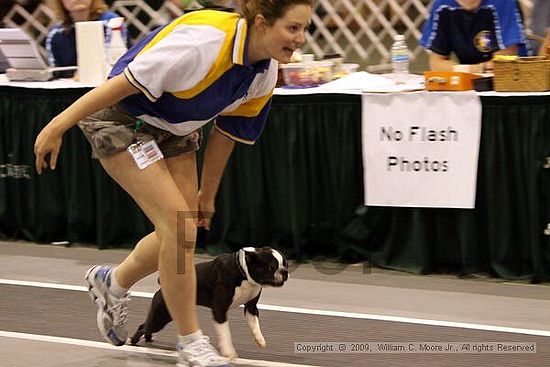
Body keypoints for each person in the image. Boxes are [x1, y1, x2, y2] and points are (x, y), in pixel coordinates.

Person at [34, 0, 315, 366]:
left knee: (184, 231)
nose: (301, 39)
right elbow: (119, 86)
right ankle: (190, 341)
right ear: (261, 23)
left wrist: (207, 194)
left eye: (305, 29)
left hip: (176, 127)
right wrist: (58, 125)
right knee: (178, 227)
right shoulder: (203, 43)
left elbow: (227, 133)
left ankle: (112, 282)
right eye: (293, 28)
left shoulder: (263, 73)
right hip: (123, 119)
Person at [420, 0, 530, 73]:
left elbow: (504, 64)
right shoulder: (442, 5)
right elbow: (436, 65)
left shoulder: (502, 2)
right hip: (472, 83)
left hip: (517, 80)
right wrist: (473, 69)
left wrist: (463, 70)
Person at [45, 0, 127, 68]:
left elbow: (117, 64)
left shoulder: (112, 23)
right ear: (60, 2)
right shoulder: (55, 34)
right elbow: (55, 72)